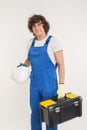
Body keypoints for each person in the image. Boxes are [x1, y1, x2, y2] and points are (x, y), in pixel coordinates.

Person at [24, 14, 65, 130]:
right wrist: (22, 66)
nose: (37, 28)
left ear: (44, 26)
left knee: (50, 116)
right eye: (34, 26)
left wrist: (61, 85)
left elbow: (61, 64)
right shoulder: (30, 43)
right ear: (31, 29)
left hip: (49, 85)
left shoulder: (53, 41)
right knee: (35, 114)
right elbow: (29, 59)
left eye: (39, 25)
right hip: (34, 85)